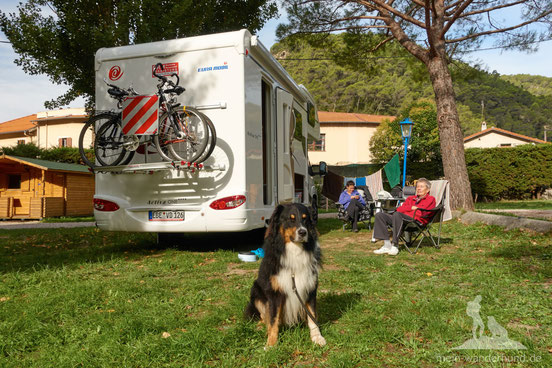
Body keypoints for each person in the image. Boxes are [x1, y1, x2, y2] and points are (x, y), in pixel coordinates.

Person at [373, 178, 436, 255]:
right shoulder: (410, 198)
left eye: (421, 187)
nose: (418, 188)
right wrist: (410, 208)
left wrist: (407, 210)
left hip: (416, 221)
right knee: (380, 215)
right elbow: (399, 209)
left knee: (397, 214)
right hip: (401, 218)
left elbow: (421, 212)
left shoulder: (430, 199)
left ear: (427, 190)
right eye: (417, 187)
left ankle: (395, 245)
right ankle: (387, 245)